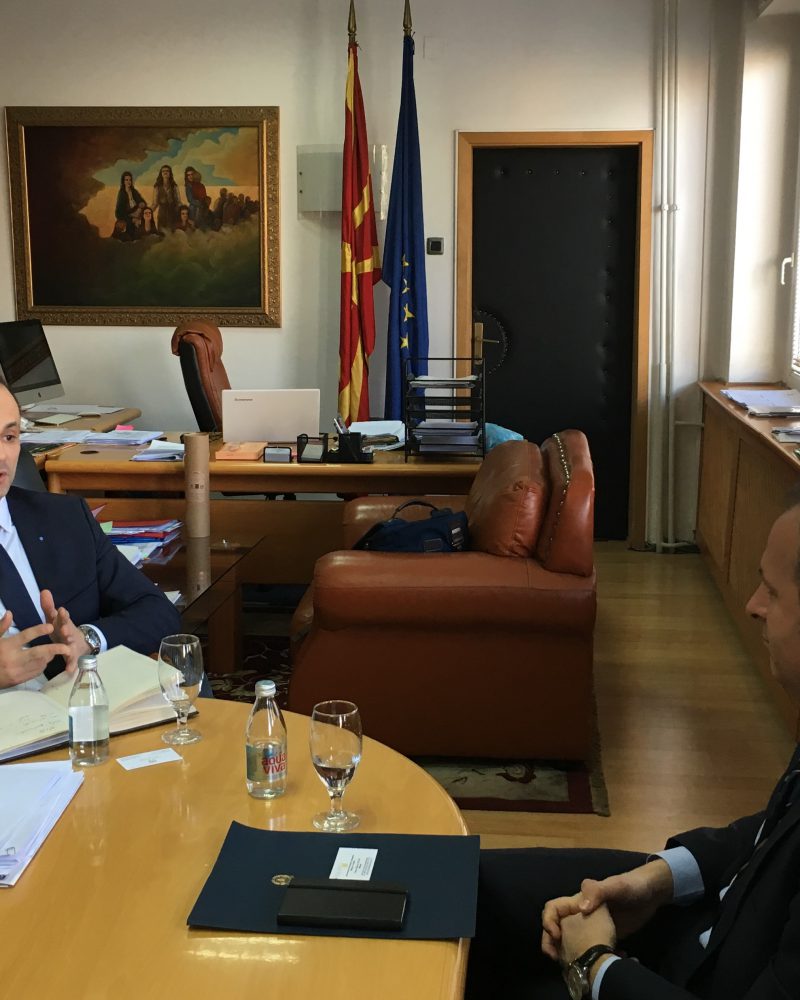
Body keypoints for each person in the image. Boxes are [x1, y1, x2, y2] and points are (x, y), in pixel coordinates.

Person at [465, 502, 800, 1000]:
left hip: (696, 971)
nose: (753, 605)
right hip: (700, 921)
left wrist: (595, 964)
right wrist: (655, 880)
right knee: (468, 887)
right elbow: (773, 832)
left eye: (772, 591)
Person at [0, 380, 181, 691]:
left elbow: (157, 611)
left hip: (88, 703)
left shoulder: (64, 518)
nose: (2, 455)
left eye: (9, 437)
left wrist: (88, 639)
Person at [114, 171, 146, 236]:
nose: (129, 182)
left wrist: (140, 207)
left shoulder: (134, 191)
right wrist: (132, 218)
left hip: (137, 214)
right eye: (126, 180)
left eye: (130, 180)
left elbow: (142, 202)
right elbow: (120, 212)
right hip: (125, 216)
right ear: (123, 182)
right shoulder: (122, 193)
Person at [152, 164, 181, 232]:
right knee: (162, 233)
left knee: (172, 233)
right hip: (162, 214)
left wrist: (183, 211)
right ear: (161, 174)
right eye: (163, 171)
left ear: (170, 173)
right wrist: (148, 212)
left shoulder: (174, 186)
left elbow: (178, 202)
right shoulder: (157, 187)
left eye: (167, 171)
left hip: (173, 213)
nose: (165, 172)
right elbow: (155, 203)